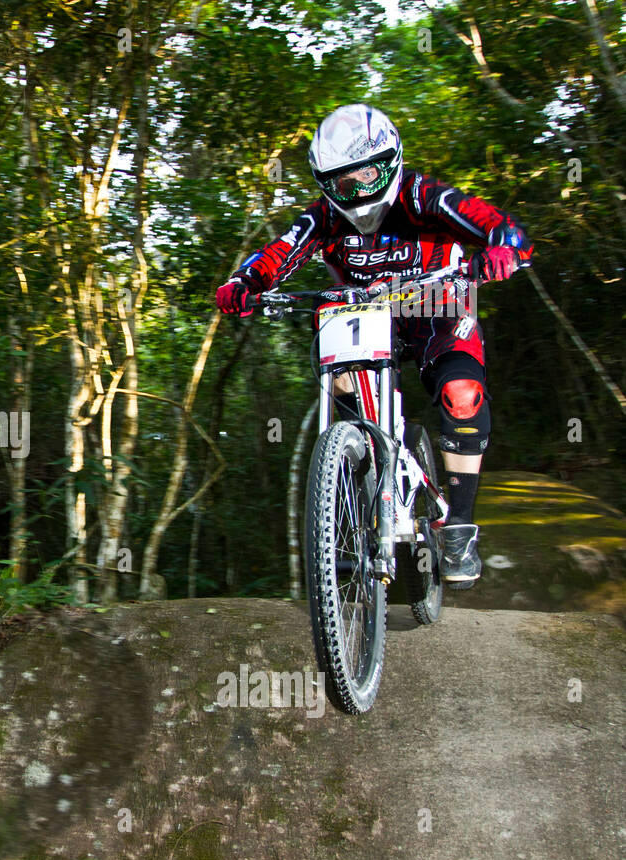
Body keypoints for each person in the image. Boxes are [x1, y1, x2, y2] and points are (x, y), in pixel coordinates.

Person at [216, 104, 532, 588]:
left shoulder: (425, 198)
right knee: (339, 375)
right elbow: (277, 252)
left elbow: (497, 225)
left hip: (438, 307)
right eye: (345, 181)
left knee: (461, 394)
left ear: (391, 161)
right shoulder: (322, 217)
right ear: (326, 183)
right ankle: (367, 464)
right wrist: (243, 281)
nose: (360, 189)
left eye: (368, 173)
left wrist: (502, 250)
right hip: (363, 313)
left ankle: (460, 526)